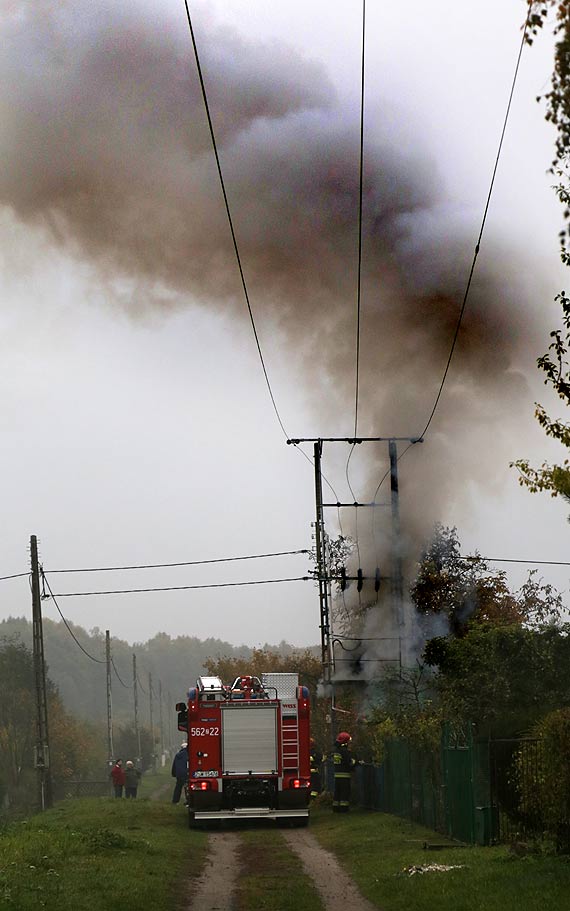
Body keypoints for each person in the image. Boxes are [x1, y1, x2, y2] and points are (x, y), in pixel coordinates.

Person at [332, 732, 356, 813]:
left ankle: (335, 808)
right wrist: (356, 762)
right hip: (344, 775)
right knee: (344, 792)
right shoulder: (344, 751)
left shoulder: (337, 750)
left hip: (337, 775)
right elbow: (349, 762)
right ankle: (344, 809)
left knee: (337, 792)